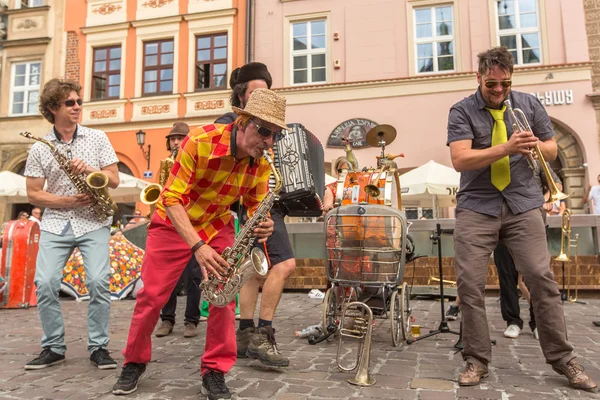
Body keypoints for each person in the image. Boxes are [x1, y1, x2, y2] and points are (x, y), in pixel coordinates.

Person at [112, 88, 286, 399]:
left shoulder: (260, 164)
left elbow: (255, 204)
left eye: (275, 136)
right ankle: (134, 362)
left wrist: (264, 223)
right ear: (243, 121)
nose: (269, 142)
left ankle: (215, 371)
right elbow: (172, 198)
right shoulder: (200, 140)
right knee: (151, 297)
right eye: (264, 131)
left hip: (217, 225)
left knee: (223, 297)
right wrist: (198, 246)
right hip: (172, 222)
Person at [447, 46, 596, 391]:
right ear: (478, 77)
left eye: (505, 84)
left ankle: (563, 359)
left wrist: (535, 146)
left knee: (542, 279)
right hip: (477, 205)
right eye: (492, 84)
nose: (499, 91)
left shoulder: (529, 105)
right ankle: (476, 358)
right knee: (469, 283)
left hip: (523, 203)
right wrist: (506, 148)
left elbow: (552, 149)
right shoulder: (462, 110)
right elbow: (460, 159)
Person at [23, 77, 120, 370]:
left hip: (94, 220)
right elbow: (33, 193)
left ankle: (99, 347)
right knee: (46, 283)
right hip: (56, 223)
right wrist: (67, 202)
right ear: (53, 108)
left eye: (79, 101)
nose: (78, 106)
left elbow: (114, 180)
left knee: (98, 282)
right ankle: (53, 346)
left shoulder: (97, 138)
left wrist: (90, 168)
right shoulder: (40, 148)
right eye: (70, 102)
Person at [215, 62, 295, 368]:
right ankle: (263, 334)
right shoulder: (228, 124)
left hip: (268, 201)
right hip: (246, 203)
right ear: (240, 97)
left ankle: (247, 333)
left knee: (252, 268)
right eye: (257, 92)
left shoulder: (272, 127)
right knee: (284, 264)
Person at [154, 122, 204, 339]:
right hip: (170, 226)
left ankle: (191, 320)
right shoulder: (165, 164)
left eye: (180, 138)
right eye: (173, 139)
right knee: (169, 277)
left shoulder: (196, 162)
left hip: (192, 223)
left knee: (194, 275)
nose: (175, 142)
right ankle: (167, 319)